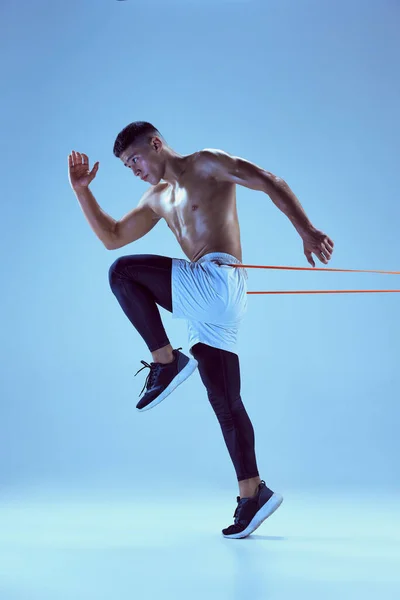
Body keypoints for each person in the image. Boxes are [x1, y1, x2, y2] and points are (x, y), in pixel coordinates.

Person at [68, 121, 334, 539]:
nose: (133, 169)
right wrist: (83, 191)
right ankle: (253, 494)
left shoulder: (206, 164)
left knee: (124, 274)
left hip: (217, 281)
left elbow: (269, 181)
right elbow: (113, 236)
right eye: (126, 165)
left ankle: (167, 360)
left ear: (156, 144)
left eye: (135, 159)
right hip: (208, 302)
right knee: (225, 402)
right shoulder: (156, 198)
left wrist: (307, 230)